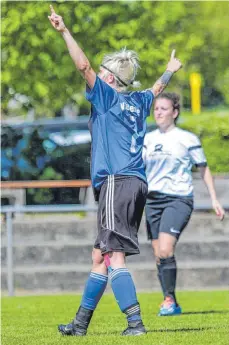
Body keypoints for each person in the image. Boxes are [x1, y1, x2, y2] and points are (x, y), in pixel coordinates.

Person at [48, 5, 182, 336]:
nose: (96, 74)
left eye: (102, 71)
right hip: (136, 183)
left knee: (114, 256)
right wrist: (169, 70)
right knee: (100, 255)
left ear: (108, 77)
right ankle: (80, 325)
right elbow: (156, 90)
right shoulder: (138, 101)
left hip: (115, 180)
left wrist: (64, 31)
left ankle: (134, 323)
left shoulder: (106, 96)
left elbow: (82, 64)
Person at [143, 92, 225, 316]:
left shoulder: (187, 138)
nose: (158, 112)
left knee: (166, 249)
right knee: (158, 253)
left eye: (163, 108)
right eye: (156, 109)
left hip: (178, 199)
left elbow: (203, 168)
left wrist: (214, 199)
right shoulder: (147, 139)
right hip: (152, 201)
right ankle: (171, 300)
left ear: (175, 112)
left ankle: (168, 299)